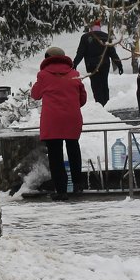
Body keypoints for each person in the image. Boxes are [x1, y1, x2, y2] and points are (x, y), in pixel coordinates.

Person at [31, 47, 87, 201]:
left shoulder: (43, 75)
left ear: (48, 57)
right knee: (73, 149)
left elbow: (35, 95)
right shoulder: (75, 75)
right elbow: (82, 99)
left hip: (52, 120)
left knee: (55, 156)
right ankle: (78, 185)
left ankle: (61, 191)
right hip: (72, 118)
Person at [73, 19, 123, 105]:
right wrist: (119, 65)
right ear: (99, 27)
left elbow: (80, 53)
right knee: (104, 84)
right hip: (105, 65)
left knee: (96, 86)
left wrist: (74, 64)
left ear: (91, 27)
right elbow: (112, 53)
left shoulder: (85, 37)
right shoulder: (106, 36)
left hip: (92, 65)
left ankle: (100, 105)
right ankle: (106, 104)